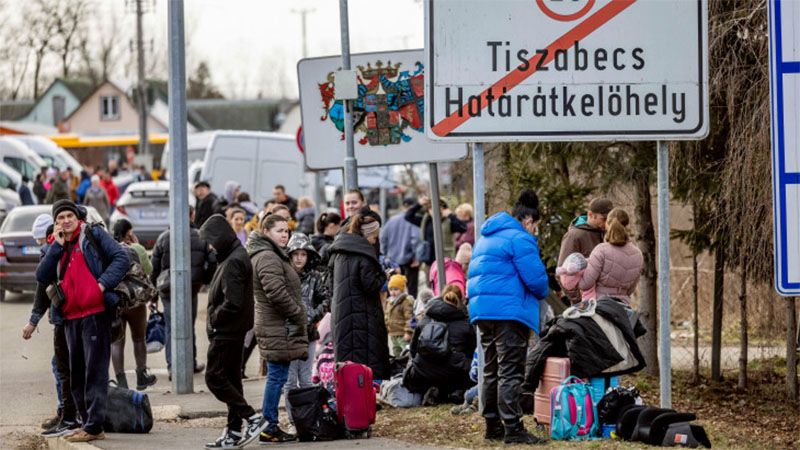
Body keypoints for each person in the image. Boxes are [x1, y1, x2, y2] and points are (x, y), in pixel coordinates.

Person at [36, 200, 131, 443]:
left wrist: (101, 285)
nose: (65, 221)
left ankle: (94, 425)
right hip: (69, 317)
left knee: (94, 372)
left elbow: (121, 257)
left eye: (69, 216)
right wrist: (56, 247)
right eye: (60, 218)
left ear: (77, 218)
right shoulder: (55, 245)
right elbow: (42, 276)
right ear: (55, 223)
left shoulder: (92, 234)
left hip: (95, 313)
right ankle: (85, 422)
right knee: (76, 373)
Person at [467, 189, 549, 445]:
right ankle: (513, 428)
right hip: (509, 314)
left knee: (490, 369)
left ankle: (492, 426)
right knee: (511, 371)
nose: (535, 230)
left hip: (483, 311)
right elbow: (537, 283)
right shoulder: (520, 238)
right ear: (528, 220)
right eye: (536, 225)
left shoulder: (486, 237)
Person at [200, 214, 265, 449]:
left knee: (214, 377)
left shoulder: (234, 260)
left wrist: (215, 319)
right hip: (233, 330)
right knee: (232, 381)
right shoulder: (231, 256)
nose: (209, 246)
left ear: (219, 237)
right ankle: (234, 431)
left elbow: (233, 302)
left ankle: (251, 417)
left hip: (227, 331)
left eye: (210, 240)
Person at [246, 214, 307, 443]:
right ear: (266, 232)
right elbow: (276, 293)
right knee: (277, 376)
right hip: (277, 325)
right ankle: (269, 425)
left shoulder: (270, 254)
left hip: (276, 324)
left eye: (287, 231)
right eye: (279, 231)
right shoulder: (268, 257)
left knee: (277, 376)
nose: (285, 235)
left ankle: (269, 425)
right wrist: (297, 312)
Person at [23, 214, 81, 437]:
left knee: (62, 367)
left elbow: (42, 288)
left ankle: (68, 414)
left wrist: (32, 321)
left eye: (39, 241)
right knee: (66, 366)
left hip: (66, 317)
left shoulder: (52, 249)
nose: (39, 246)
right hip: (74, 315)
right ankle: (69, 412)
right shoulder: (60, 246)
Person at [151, 206, 214, 377]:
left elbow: (154, 269)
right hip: (191, 287)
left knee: (172, 328)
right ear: (192, 215)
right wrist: (204, 280)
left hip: (167, 289)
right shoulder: (201, 236)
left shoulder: (163, 237)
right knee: (188, 325)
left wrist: (152, 295)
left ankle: (173, 366)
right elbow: (212, 261)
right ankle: (189, 362)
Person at [327, 211, 390, 380]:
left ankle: (351, 396)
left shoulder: (338, 252)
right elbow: (370, 285)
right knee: (368, 357)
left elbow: (329, 284)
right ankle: (370, 393)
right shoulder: (364, 256)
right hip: (363, 317)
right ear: (366, 235)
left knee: (349, 363)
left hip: (342, 315)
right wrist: (384, 275)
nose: (375, 240)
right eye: (374, 236)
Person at [283, 233, 330, 426]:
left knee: (306, 378)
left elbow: (326, 299)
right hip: (288, 333)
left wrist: (312, 316)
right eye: (295, 254)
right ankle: (293, 420)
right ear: (290, 255)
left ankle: (308, 419)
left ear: (308, 256)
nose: (299, 258)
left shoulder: (315, 278)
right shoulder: (283, 276)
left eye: (303, 254)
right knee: (289, 381)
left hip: (309, 332)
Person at [402, 284, 476, 406]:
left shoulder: (425, 319)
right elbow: (472, 352)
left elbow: (413, 350)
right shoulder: (465, 324)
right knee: (468, 368)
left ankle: (434, 390)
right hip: (454, 373)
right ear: (461, 300)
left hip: (423, 373)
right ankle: (455, 392)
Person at [560, 208, 644, 305]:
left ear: (607, 225)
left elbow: (585, 285)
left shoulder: (601, 250)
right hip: (623, 307)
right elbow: (631, 289)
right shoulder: (638, 254)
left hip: (598, 305)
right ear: (627, 226)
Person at [110, 219, 157, 390]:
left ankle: (121, 382)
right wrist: (138, 246)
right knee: (138, 338)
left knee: (116, 342)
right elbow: (148, 269)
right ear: (129, 232)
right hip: (135, 301)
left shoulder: (109, 249)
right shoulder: (137, 249)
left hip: (116, 301)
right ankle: (141, 376)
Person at [557, 198, 614, 304]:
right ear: (591, 214)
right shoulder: (574, 236)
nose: (607, 223)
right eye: (604, 219)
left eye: (609, 219)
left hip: (607, 302)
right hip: (585, 306)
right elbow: (562, 274)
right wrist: (580, 300)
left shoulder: (608, 234)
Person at [405, 195, 467, 270]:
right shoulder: (425, 220)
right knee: (430, 281)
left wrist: (451, 215)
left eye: (438, 208)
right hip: (429, 262)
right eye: (431, 208)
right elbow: (408, 216)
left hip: (445, 262)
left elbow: (463, 228)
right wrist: (419, 204)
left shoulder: (449, 221)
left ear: (443, 209)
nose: (433, 210)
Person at [381, 198, 421, 297]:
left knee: (393, 287)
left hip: (392, 260)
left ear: (402, 206)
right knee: (411, 290)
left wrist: (385, 254)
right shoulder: (413, 220)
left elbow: (383, 238)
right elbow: (416, 239)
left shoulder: (391, 220)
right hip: (410, 260)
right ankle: (410, 309)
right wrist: (417, 257)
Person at [384, 274, 415, 357]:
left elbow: (409, 318)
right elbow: (387, 316)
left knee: (406, 352)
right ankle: (399, 367)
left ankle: (408, 367)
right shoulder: (389, 301)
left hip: (403, 334)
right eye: (391, 289)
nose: (393, 292)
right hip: (393, 334)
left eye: (396, 289)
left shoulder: (406, 301)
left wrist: (408, 332)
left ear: (402, 289)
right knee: (396, 353)